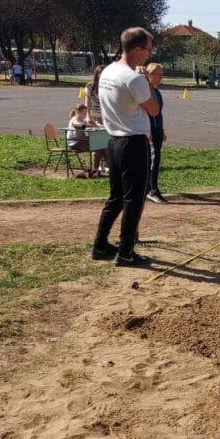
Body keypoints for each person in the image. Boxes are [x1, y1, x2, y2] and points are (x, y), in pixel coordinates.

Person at [91, 27, 160, 267]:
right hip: (133, 142)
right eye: (148, 49)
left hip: (113, 141)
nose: (149, 55)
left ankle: (100, 244)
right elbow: (154, 109)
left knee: (117, 197)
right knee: (134, 199)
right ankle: (126, 251)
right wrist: (147, 81)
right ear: (137, 49)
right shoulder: (134, 78)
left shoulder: (108, 71)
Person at [145, 63, 167, 203]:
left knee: (155, 158)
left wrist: (162, 129)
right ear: (150, 74)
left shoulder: (156, 91)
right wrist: (148, 130)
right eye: (158, 74)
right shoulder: (146, 92)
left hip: (157, 128)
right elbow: (145, 113)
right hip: (150, 130)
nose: (161, 77)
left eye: (162, 74)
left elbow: (158, 113)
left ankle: (149, 188)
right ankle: (152, 190)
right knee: (153, 158)